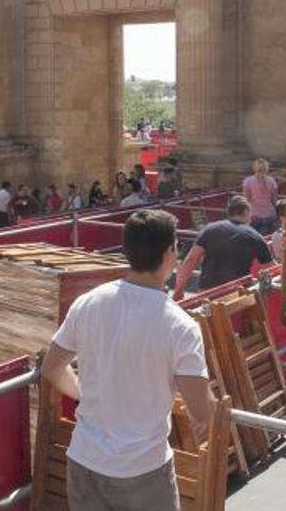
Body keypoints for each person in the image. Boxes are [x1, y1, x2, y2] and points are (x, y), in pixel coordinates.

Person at [40, 209, 213, 511]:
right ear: (169, 253)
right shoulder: (181, 327)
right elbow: (201, 408)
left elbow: (52, 367)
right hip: (143, 472)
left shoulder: (89, 303)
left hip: (84, 461)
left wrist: (86, 393)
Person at [172, 196, 273, 300]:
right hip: (237, 295)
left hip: (207, 294)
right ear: (246, 211)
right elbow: (272, 268)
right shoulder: (255, 237)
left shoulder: (209, 230)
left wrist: (178, 290)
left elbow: (190, 260)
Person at [242, 158, 280, 235]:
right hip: (270, 215)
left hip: (254, 216)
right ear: (267, 168)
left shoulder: (248, 181)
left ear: (254, 168)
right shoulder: (272, 181)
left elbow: (246, 200)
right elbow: (274, 200)